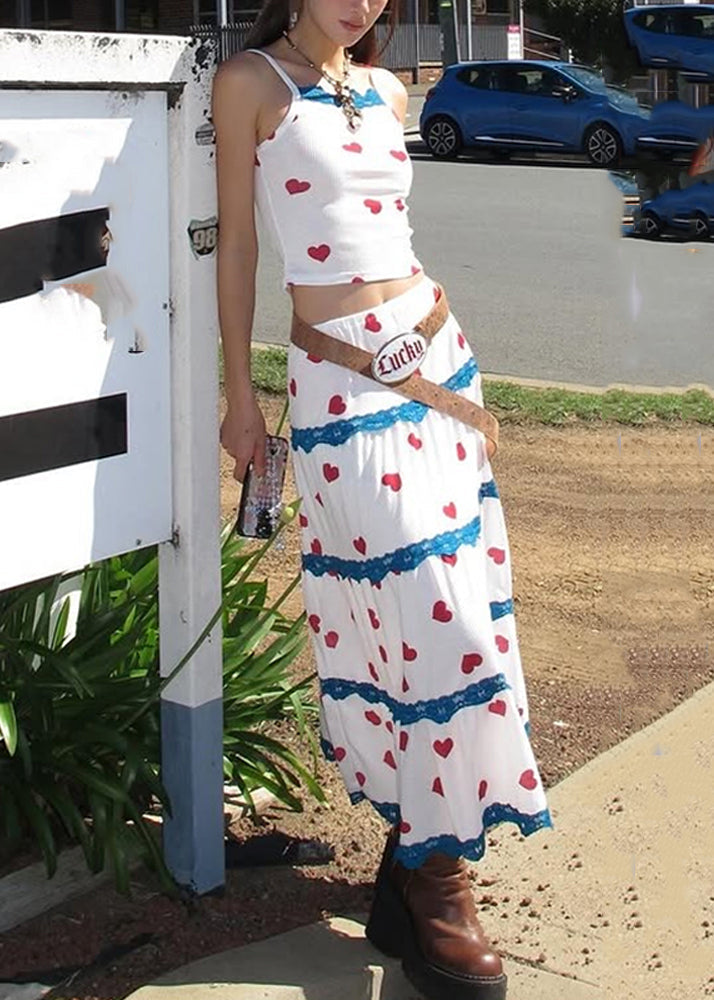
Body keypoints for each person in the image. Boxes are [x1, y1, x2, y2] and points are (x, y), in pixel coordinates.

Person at [212, 1, 554, 996]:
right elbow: (239, 247)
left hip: (434, 361)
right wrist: (241, 396)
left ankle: (420, 865)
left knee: (458, 609)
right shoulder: (251, 84)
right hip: (340, 382)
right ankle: (439, 882)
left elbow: (387, 230)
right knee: (431, 618)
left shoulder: (386, 89)